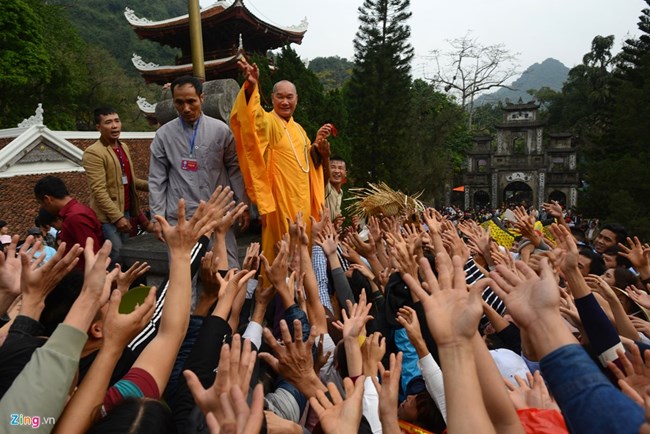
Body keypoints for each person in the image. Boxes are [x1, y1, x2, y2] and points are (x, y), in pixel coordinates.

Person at [230, 57, 332, 263]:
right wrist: (251, 86)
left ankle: (302, 294)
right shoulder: (269, 121)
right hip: (280, 203)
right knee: (281, 257)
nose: (285, 102)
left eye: (289, 97)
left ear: (297, 99)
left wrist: (318, 148)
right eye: (280, 97)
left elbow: (308, 165)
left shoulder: (300, 130)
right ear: (272, 98)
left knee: (304, 258)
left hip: (303, 203)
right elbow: (252, 118)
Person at [149, 75, 248, 267]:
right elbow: (156, 179)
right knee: (184, 273)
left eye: (191, 101)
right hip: (181, 217)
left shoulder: (221, 130)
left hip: (218, 213)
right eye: (179, 102)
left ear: (201, 98)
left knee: (227, 268)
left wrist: (242, 204)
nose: (186, 108)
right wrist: (157, 218)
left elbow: (235, 168)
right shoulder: (163, 136)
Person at [83, 107, 149, 263]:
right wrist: (117, 217)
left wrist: (157, 186)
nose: (114, 126)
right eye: (108, 122)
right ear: (98, 127)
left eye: (117, 121)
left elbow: (131, 180)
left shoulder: (123, 147)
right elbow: (98, 190)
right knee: (116, 254)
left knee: (126, 253)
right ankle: (111, 286)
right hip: (108, 217)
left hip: (125, 210)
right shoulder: (94, 152)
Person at [34, 175, 103, 271]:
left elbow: (92, 251)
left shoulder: (75, 217)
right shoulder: (76, 211)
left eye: (42, 204)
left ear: (47, 199)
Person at [325, 156, 347, 228]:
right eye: (333, 167)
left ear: (345, 173)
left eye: (340, 168)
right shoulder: (325, 186)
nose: (337, 171)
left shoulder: (341, 193)